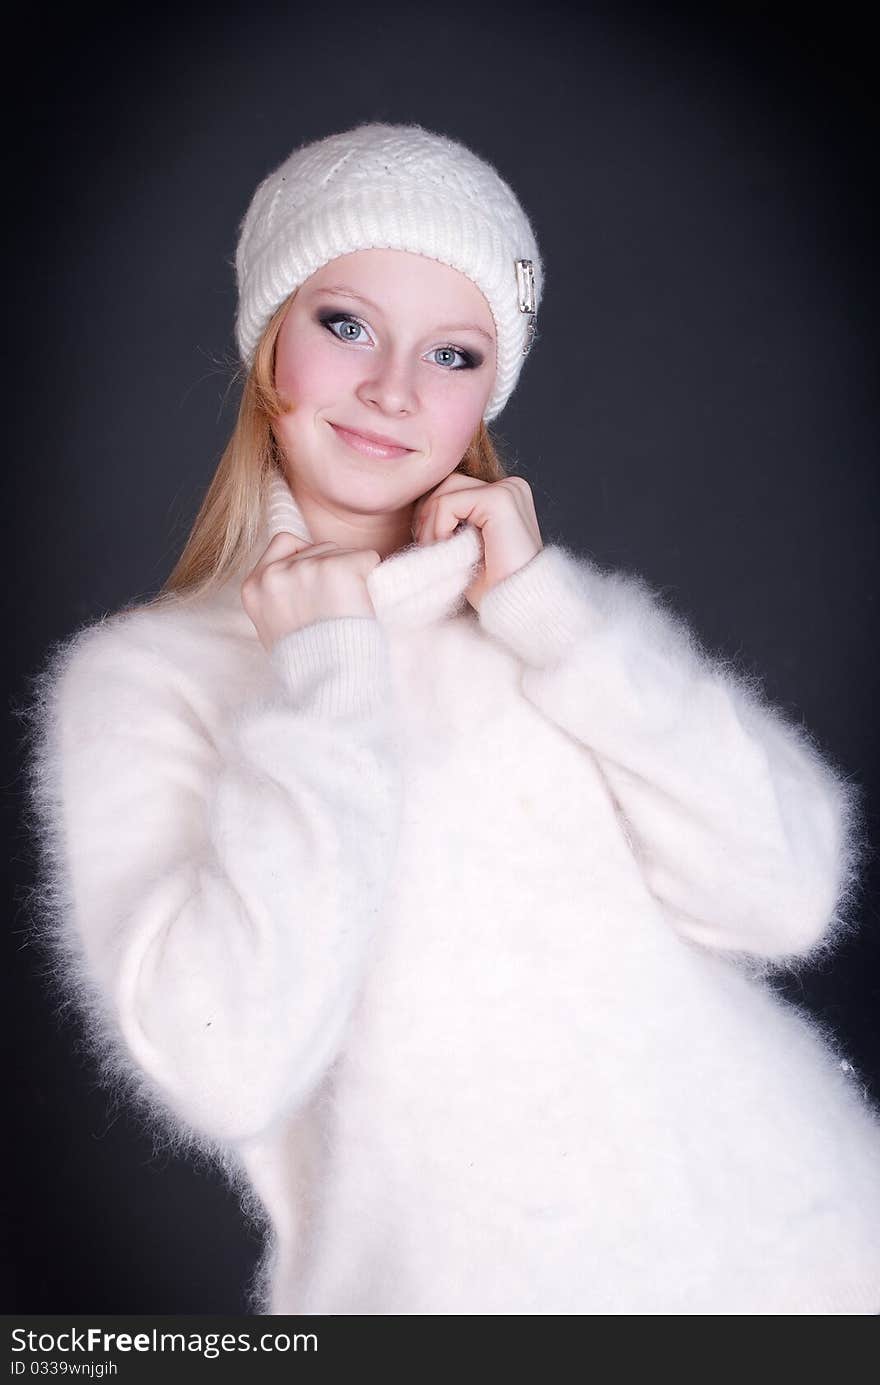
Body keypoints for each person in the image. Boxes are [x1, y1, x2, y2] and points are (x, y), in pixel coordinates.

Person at [20, 121, 880, 1315]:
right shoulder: (143, 684)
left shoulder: (535, 618)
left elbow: (784, 892)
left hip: (813, 1264)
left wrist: (551, 617)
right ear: (270, 342)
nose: (392, 389)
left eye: (454, 352)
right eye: (345, 325)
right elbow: (228, 1063)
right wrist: (327, 678)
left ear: (490, 386)